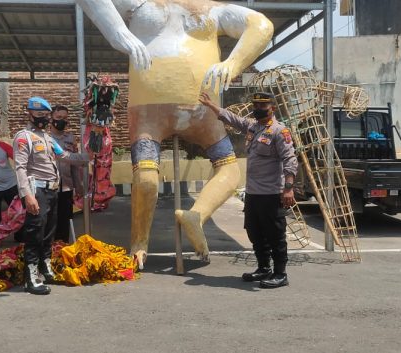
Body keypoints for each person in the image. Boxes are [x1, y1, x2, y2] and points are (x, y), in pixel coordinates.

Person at [75, 0, 274, 269]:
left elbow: (261, 25)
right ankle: (139, 243)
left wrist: (234, 62)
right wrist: (118, 33)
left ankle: (196, 216)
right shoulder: (140, 3)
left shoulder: (214, 9)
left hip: (202, 109)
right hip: (149, 111)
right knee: (146, 179)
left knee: (230, 170)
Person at [198, 91, 297, 289]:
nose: (259, 110)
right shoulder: (253, 127)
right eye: (256, 106)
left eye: (263, 107)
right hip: (253, 193)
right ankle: (263, 268)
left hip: (271, 193)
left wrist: (288, 188)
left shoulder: (279, 131)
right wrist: (211, 105)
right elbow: (233, 119)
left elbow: (290, 159)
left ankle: (280, 273)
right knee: (254, 231)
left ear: (273, 108)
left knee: (275, 234)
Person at [13, 96, 89, 295]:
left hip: (53, 189)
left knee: (49, 231)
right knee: (35, 232)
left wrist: (90, 157)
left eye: (45, 115)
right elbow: (20, 168)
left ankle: (45, 267)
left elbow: (66, 156)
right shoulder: (24, 137)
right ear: (29, 114)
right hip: (36, 189)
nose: (43, 118)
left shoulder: (48, 139)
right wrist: (27, 196)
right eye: (39, 114)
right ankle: (31, 276)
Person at [48, 105, 87, 242]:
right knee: (49, 221)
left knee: (65, 221)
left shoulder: (70, 138)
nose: (62, 121)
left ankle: (62, 249)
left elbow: (74, 165)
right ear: (51, 119)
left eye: (65, 118)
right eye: (59, 118)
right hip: (49, 187)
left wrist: (78, 185)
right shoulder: (44, 138)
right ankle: (48, 251)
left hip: (66, 187)